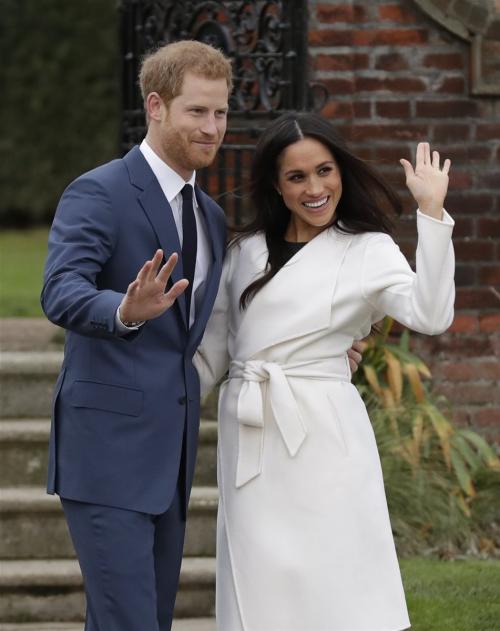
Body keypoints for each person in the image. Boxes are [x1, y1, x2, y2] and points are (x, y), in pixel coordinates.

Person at [194, 112, 455, 631]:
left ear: (341, 173)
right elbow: (211, 359)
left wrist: (432, 211)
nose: (315, 188)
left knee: (337, 575)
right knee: (262, 582)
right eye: (297, 176)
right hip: (252, 436)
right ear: (276, 183)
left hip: (325, 435)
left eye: (325, 171)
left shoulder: (367, 249)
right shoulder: (242, 253)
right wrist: (148, 398)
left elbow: (431, 314)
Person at [41, 40, 232, 631]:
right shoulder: (99, 190)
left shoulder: (211, 215)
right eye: (197, 111)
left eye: (221, 112)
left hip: (168, 462)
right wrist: (124, 310)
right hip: (105, 455)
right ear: (156, 106)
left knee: (143, 620)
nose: (212, 127)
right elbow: (60, 289)